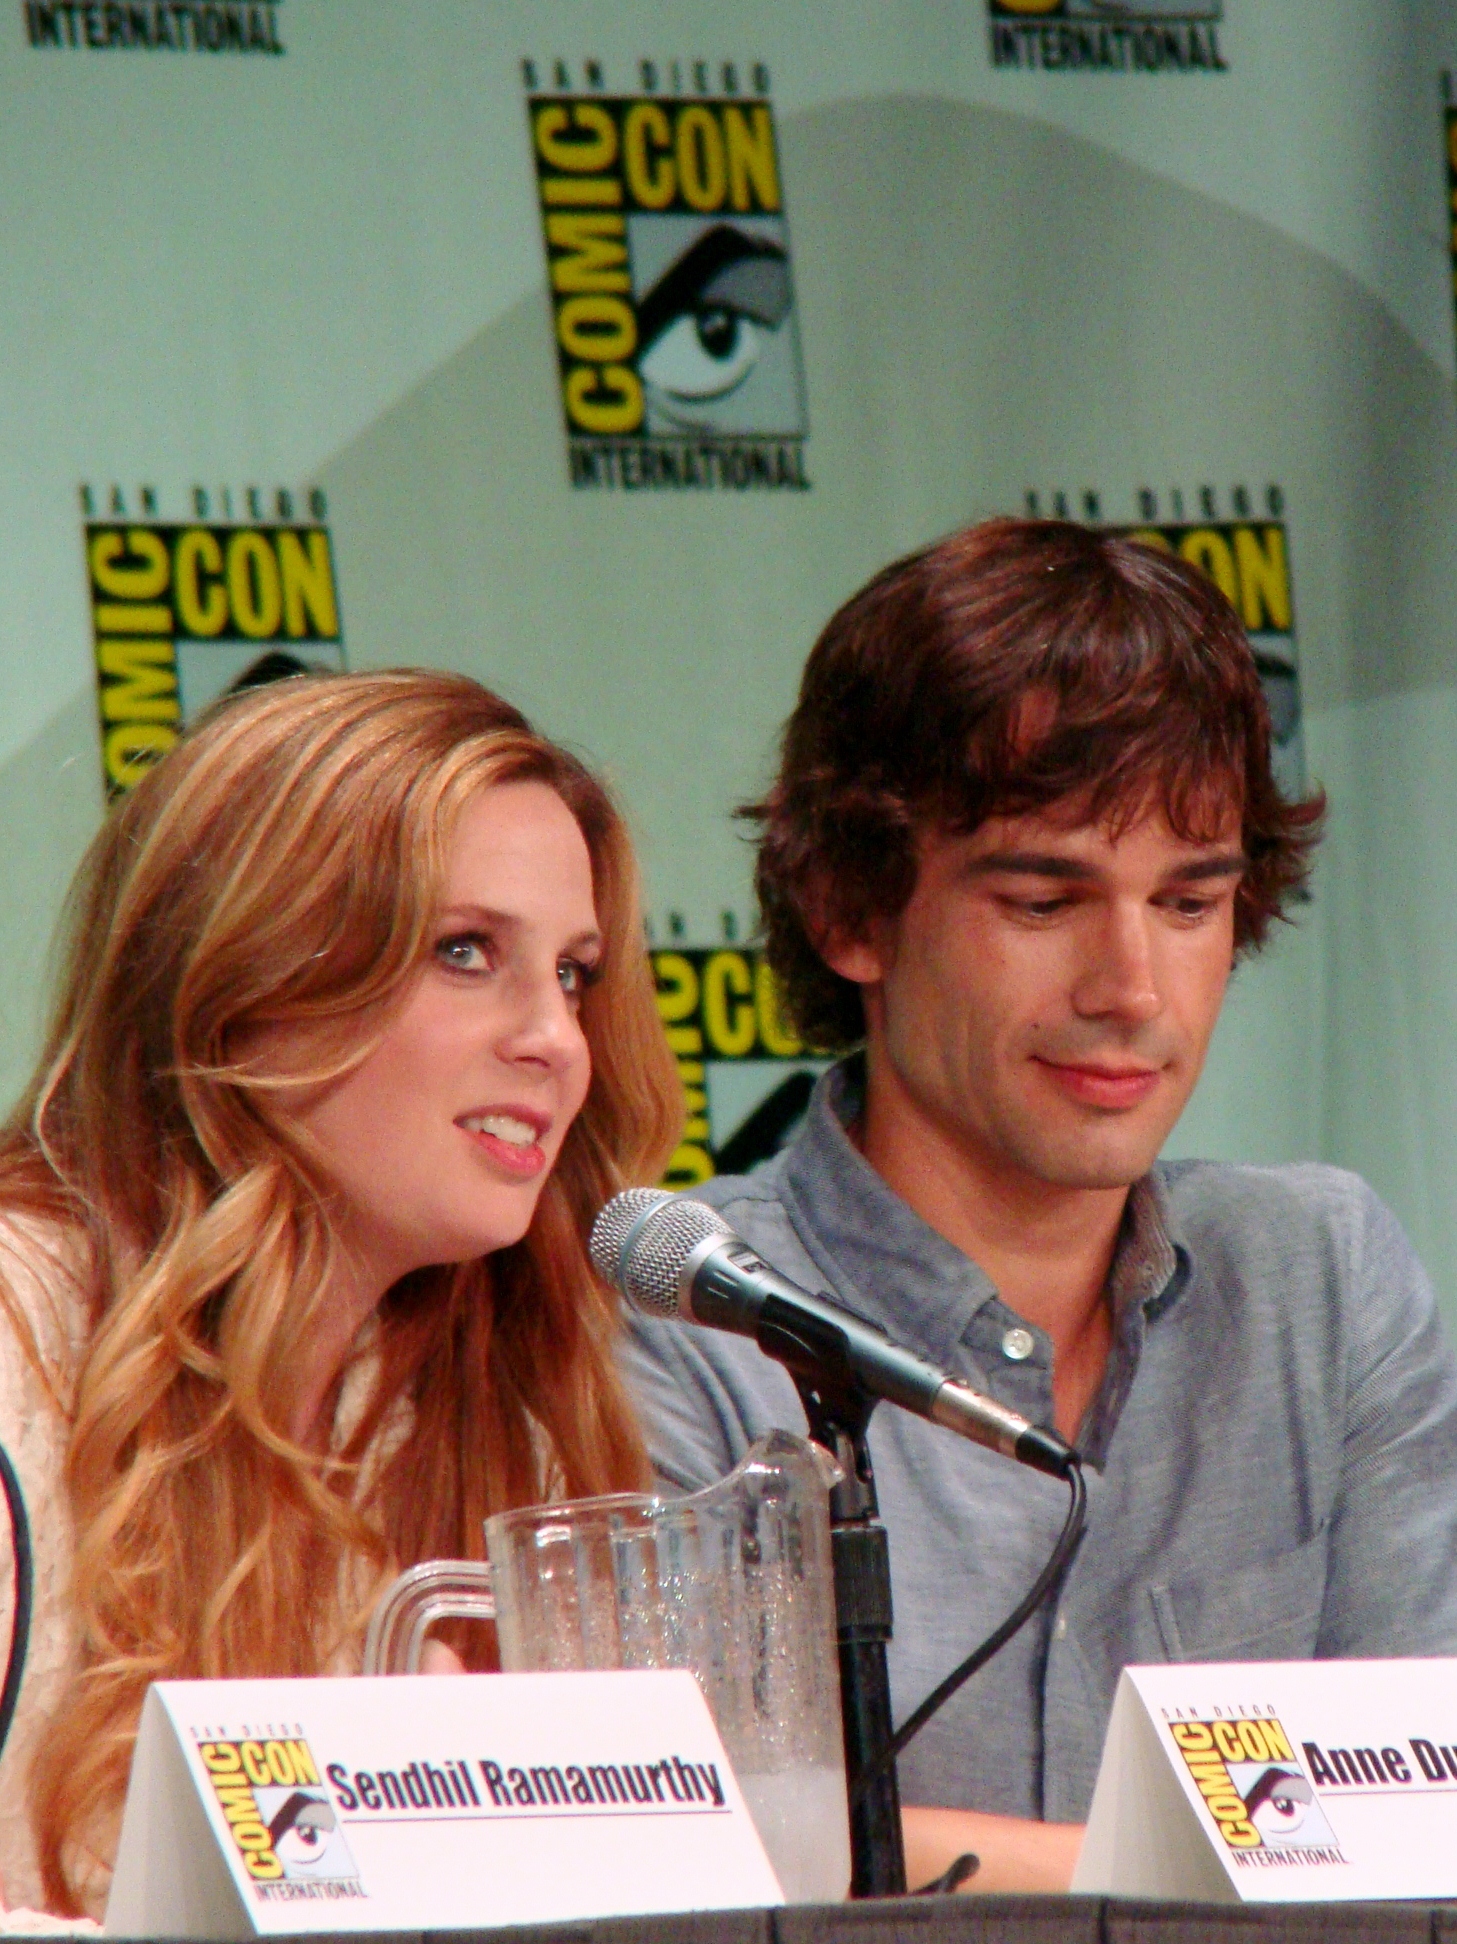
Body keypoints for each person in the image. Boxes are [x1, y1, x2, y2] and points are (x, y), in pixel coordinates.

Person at [622, 518, 1457, 1893]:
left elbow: (1423, 1832)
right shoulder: (686, 1317)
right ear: (848, 909)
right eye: (1042, 898)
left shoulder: (1323, 1276)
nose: (1131, 986)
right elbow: (699, 1850)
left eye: (1188, 904)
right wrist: (1216, 1867)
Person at [0, 670, 681, 1917]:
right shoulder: (16, 1348)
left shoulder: (481, 1401)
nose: (555, 1039)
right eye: (465, 952)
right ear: (244, 980)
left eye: (574, 974)